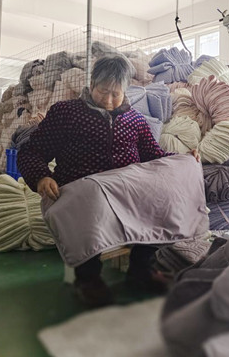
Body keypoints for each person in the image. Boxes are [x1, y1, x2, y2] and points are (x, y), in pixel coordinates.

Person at [17, 55, 200, 307]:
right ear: (92, 84)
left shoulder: (136, 121)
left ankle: (141, 270)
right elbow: (32, 151)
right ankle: (88, 279)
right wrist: (41, 176)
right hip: (82, 192)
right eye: (103, 92)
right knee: (91, 205)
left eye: (116, 94)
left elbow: (154, 156)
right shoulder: (66, 113)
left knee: (164, 199)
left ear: (126, 90)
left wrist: (184, 159)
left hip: (125, 193)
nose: (109, 100)